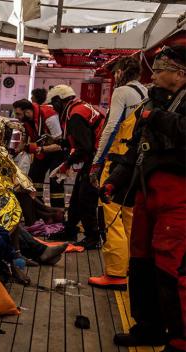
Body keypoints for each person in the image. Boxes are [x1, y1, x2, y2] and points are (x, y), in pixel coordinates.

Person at [105, 45, 186, 352]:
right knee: (140, 260)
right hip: (146, 191)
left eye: (162, 68)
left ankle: (180, 338)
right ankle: (149, 325)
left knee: (172, 265)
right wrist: (115, 179)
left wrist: (159, 118)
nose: (155, 74)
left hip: (179, 196)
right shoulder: (149, 103)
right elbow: (136, 149)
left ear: (180, 73)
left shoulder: (159, 109)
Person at [88, 57, 147, 290]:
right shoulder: (146, 91)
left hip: (117, 161)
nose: (114, 77)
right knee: (132, 216)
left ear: (121, 71)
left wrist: (96, 162)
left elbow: (111, 127)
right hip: (136, 163)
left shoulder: (122, 91)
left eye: (114, 73)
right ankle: (134, 266)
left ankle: (114, 272)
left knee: (110, 216)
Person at [46, 84, 106, 249]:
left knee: (86, 198)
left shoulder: (75, 115)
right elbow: (83, 139)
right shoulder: (81, 108)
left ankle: (93, 237)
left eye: (53, 104)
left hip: (97, 160)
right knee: (76, 198)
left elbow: (84, 147)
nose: (53, 109)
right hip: (96, 157)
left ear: (59, 101)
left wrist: (67, 163)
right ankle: (70, 229)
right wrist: (60, 142)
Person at [13, 98, 67, 209]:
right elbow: (25, 139)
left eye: (18, 114)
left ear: (27, 111)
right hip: (42, 150)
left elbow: (60, 143)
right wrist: (14, 151)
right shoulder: (28, 121)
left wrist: (40, 149)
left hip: (58, 152)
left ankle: (58, 213)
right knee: (34, 178)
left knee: (55, 182)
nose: (16, 117)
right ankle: (38, 210)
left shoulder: (48, 115)